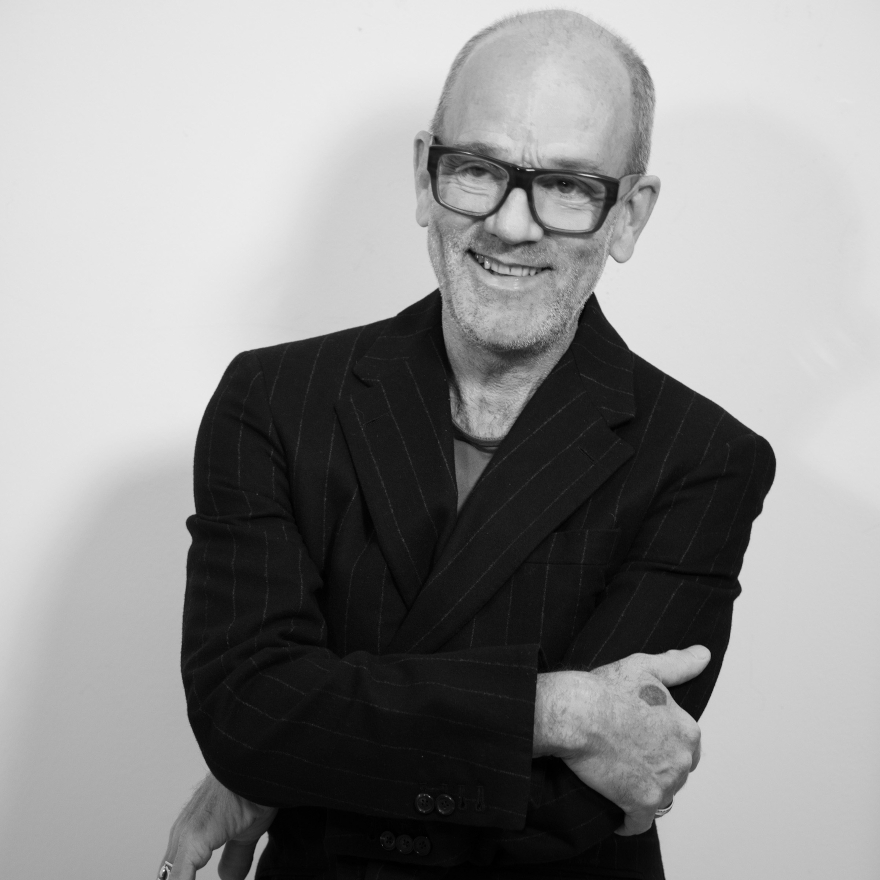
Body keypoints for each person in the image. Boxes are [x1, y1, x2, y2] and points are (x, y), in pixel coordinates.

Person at [160, 9, 774, 880]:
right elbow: (245, 715)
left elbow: (574, 809)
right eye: (479, 170)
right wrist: (557, 711)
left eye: (568, 186)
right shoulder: (274, 399)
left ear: (629, 216)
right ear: (425, 176)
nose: (512, 226)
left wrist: (306, 765)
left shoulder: (703, 457)